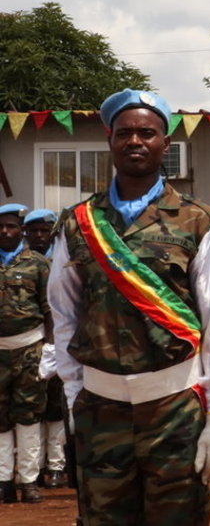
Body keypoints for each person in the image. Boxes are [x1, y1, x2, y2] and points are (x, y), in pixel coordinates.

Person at [47, 89, 210, 525]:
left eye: (147, 133)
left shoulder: (199, 220)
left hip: (174, 408)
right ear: (110, 140)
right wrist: (75, 395)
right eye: (125, 133)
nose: (135, 141)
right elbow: (64, 314)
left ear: (165, 144)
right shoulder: (77, 223)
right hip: (99, 409)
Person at [0, 204, 51, 504]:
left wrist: (52, 349)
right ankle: (4, 479)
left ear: (21, 230)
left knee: (29, 415)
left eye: (10, 226)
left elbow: (51, 308)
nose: (5, 231)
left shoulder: (38, 264)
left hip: (30, 347)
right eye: (0, 227)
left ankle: (29, 480)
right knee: (0, 417)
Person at [23, 208, 68, 489]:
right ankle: (36, 466)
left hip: (60, 342)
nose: (39, 236)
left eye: (44, 231)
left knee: (56, 406)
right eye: (34, 231)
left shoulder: (62, 259)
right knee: (32, 407)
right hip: (28, 344)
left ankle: (56, 465)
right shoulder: (23, 262)